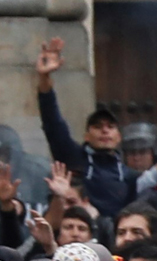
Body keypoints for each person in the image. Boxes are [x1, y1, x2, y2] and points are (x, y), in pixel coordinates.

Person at [35, 38, 132, 219]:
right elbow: (53, 124)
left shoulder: (129, 175)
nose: (104, 131)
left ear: (118, 136)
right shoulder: (73, 158)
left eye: (110, 127)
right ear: (87, 136)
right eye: (97, 127)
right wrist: (44, 78)